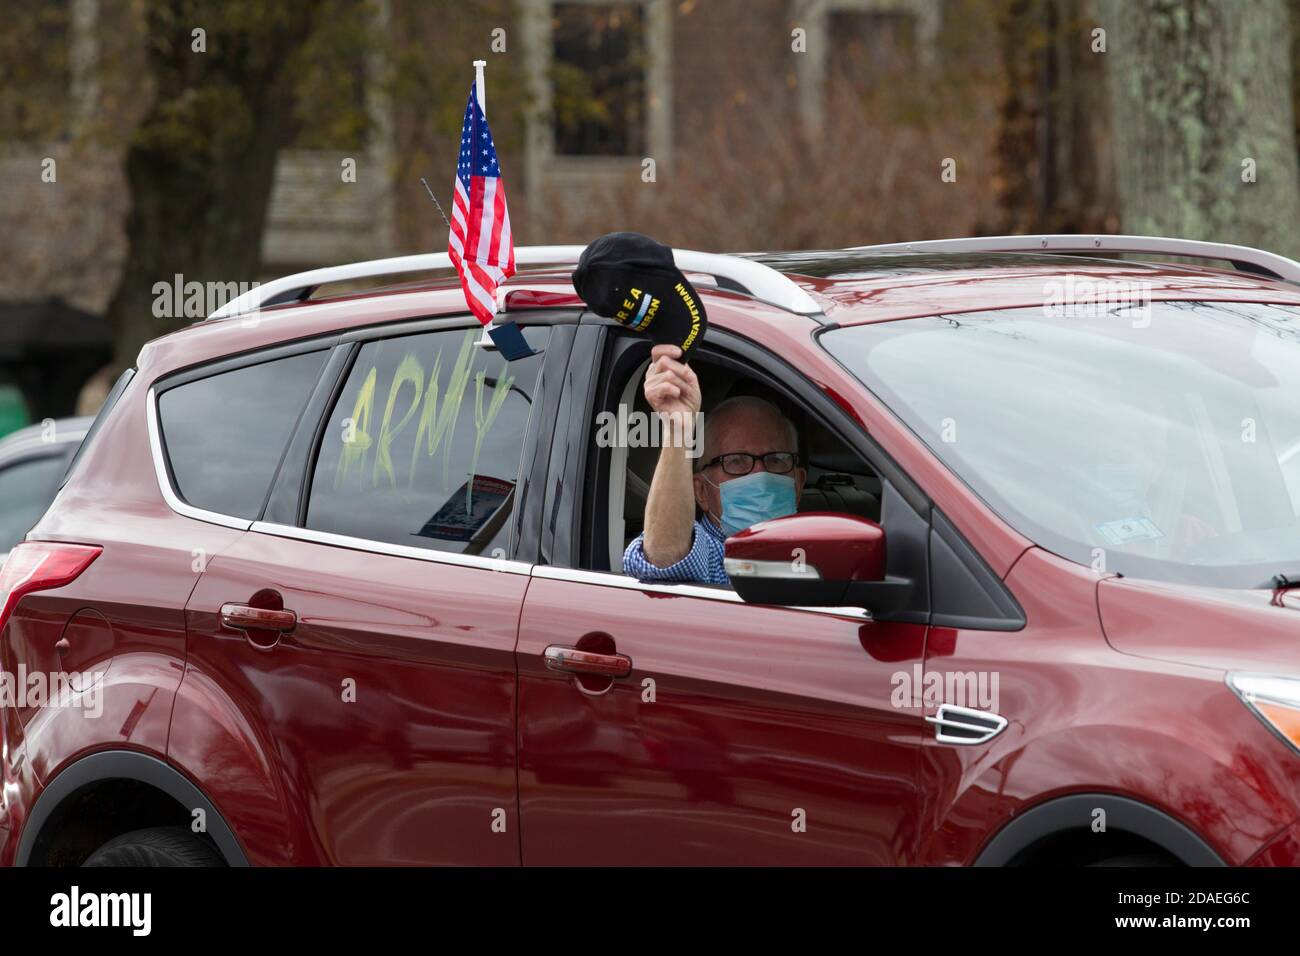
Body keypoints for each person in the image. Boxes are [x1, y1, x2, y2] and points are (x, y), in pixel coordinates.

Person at [623, 344, 806, 585]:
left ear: (799, 482)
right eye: (737, 462)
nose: (760, 474)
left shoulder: (819, 549)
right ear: (701, 491)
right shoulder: (711, 555)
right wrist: (678, 430)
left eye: (775, 460)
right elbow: (664, 557)